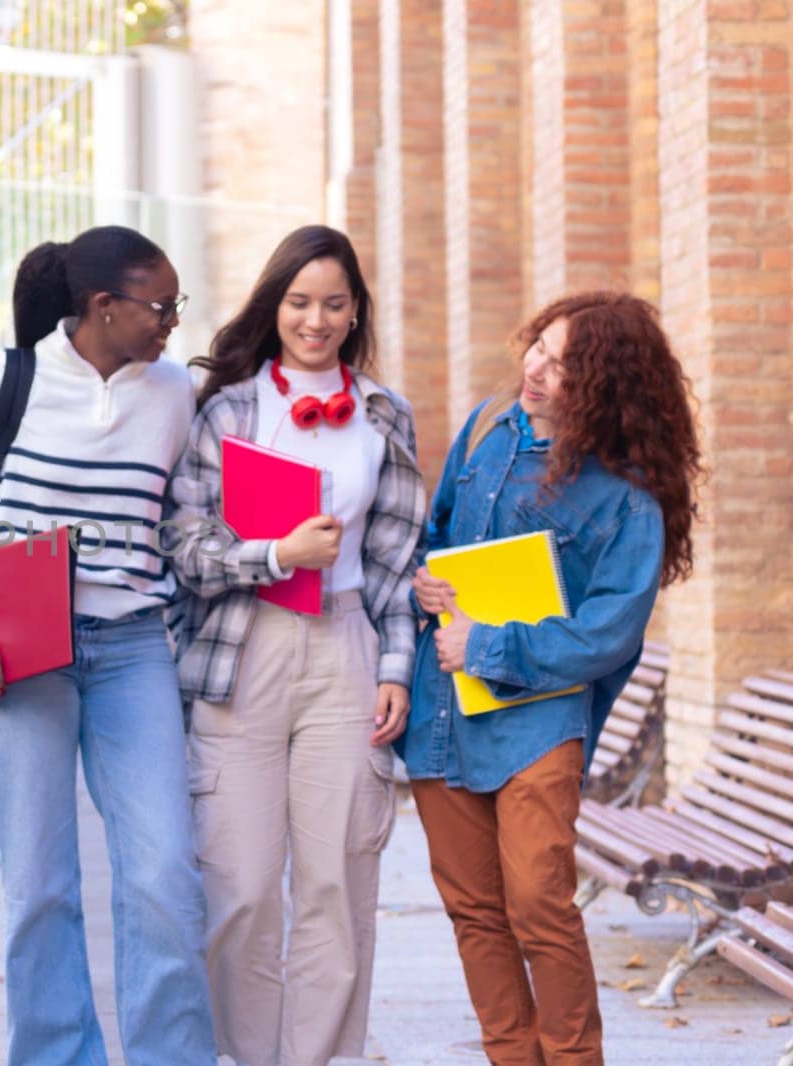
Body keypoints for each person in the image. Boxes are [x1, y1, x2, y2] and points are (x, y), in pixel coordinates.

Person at [401, 292, 702, 1065]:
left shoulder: (625, 494)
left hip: (539, 723)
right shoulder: (482, 431)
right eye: (540, 347)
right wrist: (427, 585)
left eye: (566, 366)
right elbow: (434, 540)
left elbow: (609, 633)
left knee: (539, 906)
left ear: (608, 385)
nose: (537, 369)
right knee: (473, 909)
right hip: (444, 715)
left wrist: (491, 648)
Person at [0, 227, 218, 1066]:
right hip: (23, 657)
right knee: (38, 887)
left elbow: (184, 518)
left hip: (134, 646)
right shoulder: (7, 379)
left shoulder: (174, 392)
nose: (173, 320)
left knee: (164, 878)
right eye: (161, 305)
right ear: (103, 308)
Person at [167, 224, 426, 1066]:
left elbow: (396, 564)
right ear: (275, 306)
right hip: (244, 648)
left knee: (336, 883)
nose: (315, 319)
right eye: (299, 302)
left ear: (356, 313)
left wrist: (396, 670)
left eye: (334, 304)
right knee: (239, 886)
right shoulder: (230, 410)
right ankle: (246, 1054)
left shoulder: (386, 415)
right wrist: (275, 555)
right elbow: (185, 546)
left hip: (346, 644)